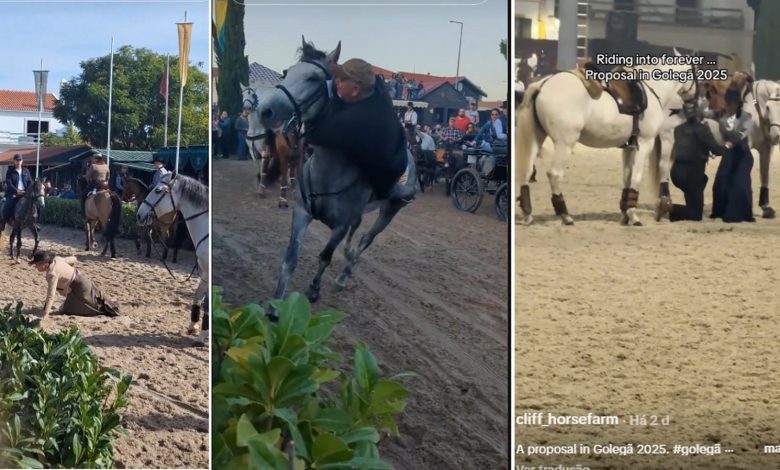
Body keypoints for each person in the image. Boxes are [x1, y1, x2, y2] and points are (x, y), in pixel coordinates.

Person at [306, 58, 413, 202]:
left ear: (355, 89)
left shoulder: (355, 120)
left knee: (381, 183)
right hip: (391, 136)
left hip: (390, 163)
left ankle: (391, 190)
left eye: (341, 80)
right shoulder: (374, 87)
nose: (336, 81)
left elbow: (314, 135)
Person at [656, 100, 726, 222]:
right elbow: (716, 150)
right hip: (693, 173)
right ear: (698, 112)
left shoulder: (678, 129)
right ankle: (668, 207)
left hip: (677, 173)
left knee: (698, 189)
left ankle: (675, 214)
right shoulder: (702, 130)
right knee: (696, 214)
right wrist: (727, 147)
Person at [710, 87, 756, 223]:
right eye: (728, 103)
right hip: (729, 154)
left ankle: (741, 214)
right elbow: (704, 113)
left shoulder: (747, 117)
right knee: (721, 181)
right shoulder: (722, 116)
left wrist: (730, 143)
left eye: (732, 104)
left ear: (737, 104)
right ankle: (720, 211)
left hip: (742, 154)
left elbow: (741, 135)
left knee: (740, 184)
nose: (730, 106)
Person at [30, 251, 120, 318]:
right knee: (99, 298)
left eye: (37, 264)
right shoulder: (57, 259)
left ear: (44, 264)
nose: (35, 266)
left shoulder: (51, 274)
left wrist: (45, 313)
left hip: (78, 288)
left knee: (72, 309)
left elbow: (51, 295)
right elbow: (73, 258)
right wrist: (70, 270)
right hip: (83, 278)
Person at [1, 154, 33, 232]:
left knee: (34, 205)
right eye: (17, 160)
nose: (18, 162)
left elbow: (30, 182)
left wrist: (29, 190)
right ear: (14, 161)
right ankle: (3, 222)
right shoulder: (10, 171)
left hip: (25, 194)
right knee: (7, 206)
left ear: (22, 161)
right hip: (13, 194)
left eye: (20, 160)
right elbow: (9, 183)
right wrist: (16, 191)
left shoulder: (26, 171)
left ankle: (33, 222)